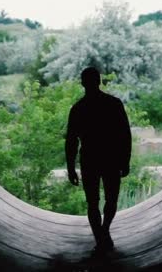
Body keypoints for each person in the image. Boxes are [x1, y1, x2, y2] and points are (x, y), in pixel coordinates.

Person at [65, 67, 132, 253]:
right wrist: (125, 160)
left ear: (82, 83)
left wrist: (71, 168)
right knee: (111, 199)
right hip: (111, 159)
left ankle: (100, 236)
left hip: (89, 160)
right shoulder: (114, 104)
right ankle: (105, 231)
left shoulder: (78, 108)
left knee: (92, 202)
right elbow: (125, 135)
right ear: (99, 81)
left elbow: (71, 141)